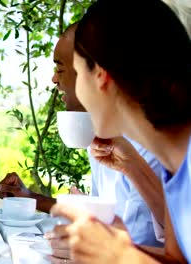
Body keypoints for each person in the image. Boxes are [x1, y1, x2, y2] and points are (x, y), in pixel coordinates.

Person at [50, 0, 191, 262]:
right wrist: (109, 245)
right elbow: (177, 259)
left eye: (79, 73)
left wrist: (120, 256)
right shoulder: (174, 163)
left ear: (102, 76)